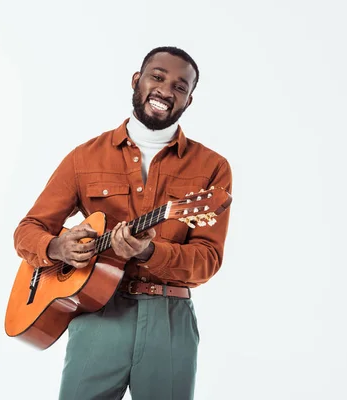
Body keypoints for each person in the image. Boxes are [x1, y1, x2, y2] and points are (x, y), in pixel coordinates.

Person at [13, 46, 232, 400]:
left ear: (189, 101)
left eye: (180, 86)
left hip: (169, 319)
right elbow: (28, 230)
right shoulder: (85, 157)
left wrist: (148, 252)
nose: (165, 90)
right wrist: (57, 247)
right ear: (137, 80)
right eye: (157, 77)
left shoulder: (212, 166)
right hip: (96, 314)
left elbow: (207, 261)